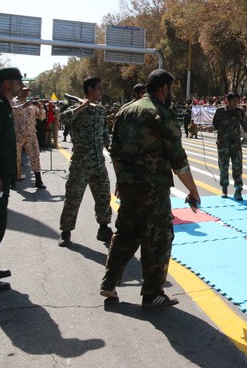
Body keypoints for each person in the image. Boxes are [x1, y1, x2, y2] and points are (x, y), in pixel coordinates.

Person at [101, 69, 201, 307]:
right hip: (153, 189)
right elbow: (178, 161)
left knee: (125, 233)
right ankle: (152, 293)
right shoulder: (162, 115)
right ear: (164, 88)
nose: (171, 93)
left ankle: (108, 283)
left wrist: (120, 179)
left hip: (127, 186)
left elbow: (114, 152)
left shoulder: (125, 110)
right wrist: (193, 191)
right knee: (158, 238)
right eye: (171, 89)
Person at [58, 77, 113, 247]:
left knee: (103, 197)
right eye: (98, 88)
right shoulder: (76, 109)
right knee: (73, 198)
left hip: (98, 162)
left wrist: (108, 141)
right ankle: (65, 232)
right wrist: (82, 107)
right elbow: (62, 120)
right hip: (80, 163)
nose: (101, 91)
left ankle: (103, 228)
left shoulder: (100, 110)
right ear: (90, 90)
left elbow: (104, 131)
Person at [0, 68, 24, 292]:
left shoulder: (3, 104)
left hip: (2, 173)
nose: (21, 85)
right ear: (6, 83)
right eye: (18, 82)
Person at [202, 93, 247, 201]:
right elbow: (215, 125)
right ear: (227, 100)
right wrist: (208, 127)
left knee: (237, 167)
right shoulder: (220, 112)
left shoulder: (240, 112)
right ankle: (224, 188)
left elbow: (246, 126)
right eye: (234, 101)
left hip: (236, 145)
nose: (236, 103)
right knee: (223, 167)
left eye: (237, 101)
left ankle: (238, 190)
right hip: (223, 144)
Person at [11, 87, 46, 189]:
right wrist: (23, 106)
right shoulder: (13, 102)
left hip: (31, 135)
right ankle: (12, 181)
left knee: (35, 156)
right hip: (17, 135)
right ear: (20, 91)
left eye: (28, 91)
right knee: (15, 157)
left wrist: (41, 107)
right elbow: (12, 112)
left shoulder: (32, 104)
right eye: (25, 91)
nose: (27, 93)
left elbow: (42, 117)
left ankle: (38, 181)